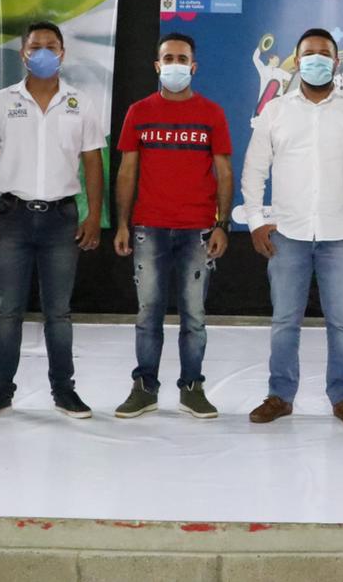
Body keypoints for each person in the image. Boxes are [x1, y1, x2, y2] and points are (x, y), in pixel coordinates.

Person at [242, 28, 343, 426]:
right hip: (287, 234)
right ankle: (279, 395)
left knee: (342, 322)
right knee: (284, 321)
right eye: (309, 54)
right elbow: (254, 169)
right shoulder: (276, 110)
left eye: (324, 54)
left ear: (336, 62)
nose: (316, 60)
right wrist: (256, 221)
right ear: (297, 59)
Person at [0, 21, 104, 420]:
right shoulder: (1, 102)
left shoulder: (80, 102)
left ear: (63, 53)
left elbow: (93, 163)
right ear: (23, 54)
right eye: (35, 46)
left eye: (51, 46)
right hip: (12, 216)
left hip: (62, 218)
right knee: (8, 309)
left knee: (58, 313)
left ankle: (64, 391)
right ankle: (0, 391)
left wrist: (94, 215)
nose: (42, 52)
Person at [112, 33, 232, 419]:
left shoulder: (212, 113)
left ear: (194, 67)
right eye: (169, 58)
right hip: (149, 229)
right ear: (157, 65)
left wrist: (222, 225)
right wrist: (122, 225)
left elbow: (224, 172)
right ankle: (144, 387)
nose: (176, 64)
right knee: (148, 313)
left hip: (198, 230)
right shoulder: (138, 112)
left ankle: (192, 388)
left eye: (183, 58)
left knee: (194, 316)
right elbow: (127, 171)